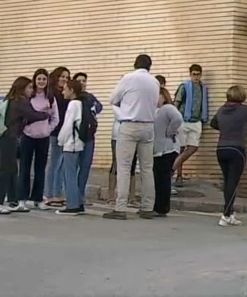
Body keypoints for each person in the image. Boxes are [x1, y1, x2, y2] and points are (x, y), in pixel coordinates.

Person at [104, 54, 160, 221]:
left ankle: (120, 207)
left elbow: (112, 99)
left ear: (135, 64)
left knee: (124, 167)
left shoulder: (128, 78)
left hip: (129, 124)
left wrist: (121, 113)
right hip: (149, 126)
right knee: (147, 168)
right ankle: (147, 207)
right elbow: (156, 103)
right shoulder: (154, 82)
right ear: (150, 66)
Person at [0, 77, 52, 214]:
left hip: (10, 137)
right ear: (22, 88)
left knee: (12, 169)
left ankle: (13, 201)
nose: (31, 90)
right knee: (4, 169)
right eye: (29, 87)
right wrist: (46, 114)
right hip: (7, 137)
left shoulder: (12, 100)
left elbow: (22, 120)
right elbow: (32, 115)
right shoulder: (20, 100)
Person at [210, 85, 247, 226]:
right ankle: (225, 214)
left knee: (228, 181)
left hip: (221, 148)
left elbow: (213, 123)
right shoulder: (244, 109)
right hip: (237, 149)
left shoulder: (221, 109)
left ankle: (230, 214)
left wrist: (225, 129)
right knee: (233, 183)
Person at [18, 68, 58, 210]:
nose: (41, 82)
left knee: (40, 169)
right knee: (24, 168)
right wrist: (25, 129)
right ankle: (22, 197)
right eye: (39, 79)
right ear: (34, 80)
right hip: (27, 137)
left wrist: (47, 130)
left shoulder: (50, 98)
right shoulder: (29, 96)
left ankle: (38, 198)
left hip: (43, 138)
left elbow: (55, 118)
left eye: (44, 79)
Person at [56, 80, 96, 215]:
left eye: (65, 89)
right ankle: (79, 202)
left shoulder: (73, 104)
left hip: (71, 143)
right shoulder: (85, 102)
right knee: (79, 174)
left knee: (69, 175)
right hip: (82, 142)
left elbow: (68, 125)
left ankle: (72, 205)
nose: (63, 92)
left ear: (72, 90)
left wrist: (60, 140)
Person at [173, 64, 209, 187]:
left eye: (198, 74)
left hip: (197, 121)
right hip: (183, 120)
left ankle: (171, 168)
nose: (196, 77)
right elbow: (176, 103)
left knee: (193, 147)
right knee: (181, 148)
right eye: (194, 74)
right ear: (190, 74)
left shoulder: (203, 88)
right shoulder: (184, 86)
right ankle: (178, 176)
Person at [72, 72, 101, 206]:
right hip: (75, 136)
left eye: (84, 80)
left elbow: (99, 106)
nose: (82, 83)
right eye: (79, 80)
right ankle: (71, 195)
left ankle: (81, 194)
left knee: (85, 166)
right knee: (72, 166)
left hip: (89, 136)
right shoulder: (72, 97)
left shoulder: (89, 97)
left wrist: (93, 109)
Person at [153, 87, 183, 217]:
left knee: (163, 179)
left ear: (164, 96)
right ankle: (157, 206)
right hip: (157, 150)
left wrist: (170, 131)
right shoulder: (155, 110)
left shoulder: (168, 108)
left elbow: (178, 119)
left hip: (167, 149)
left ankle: (162, 207)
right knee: (157, 179)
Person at [45, 66, 71, 206]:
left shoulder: (64, 93)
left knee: (61, 164)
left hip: (64, 131)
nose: (64, 79)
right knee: (54, 163)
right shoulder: (52, 94)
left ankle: (57, 193)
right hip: (55, 132)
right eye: (62, 76)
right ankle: (49, 194)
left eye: (66, 77)